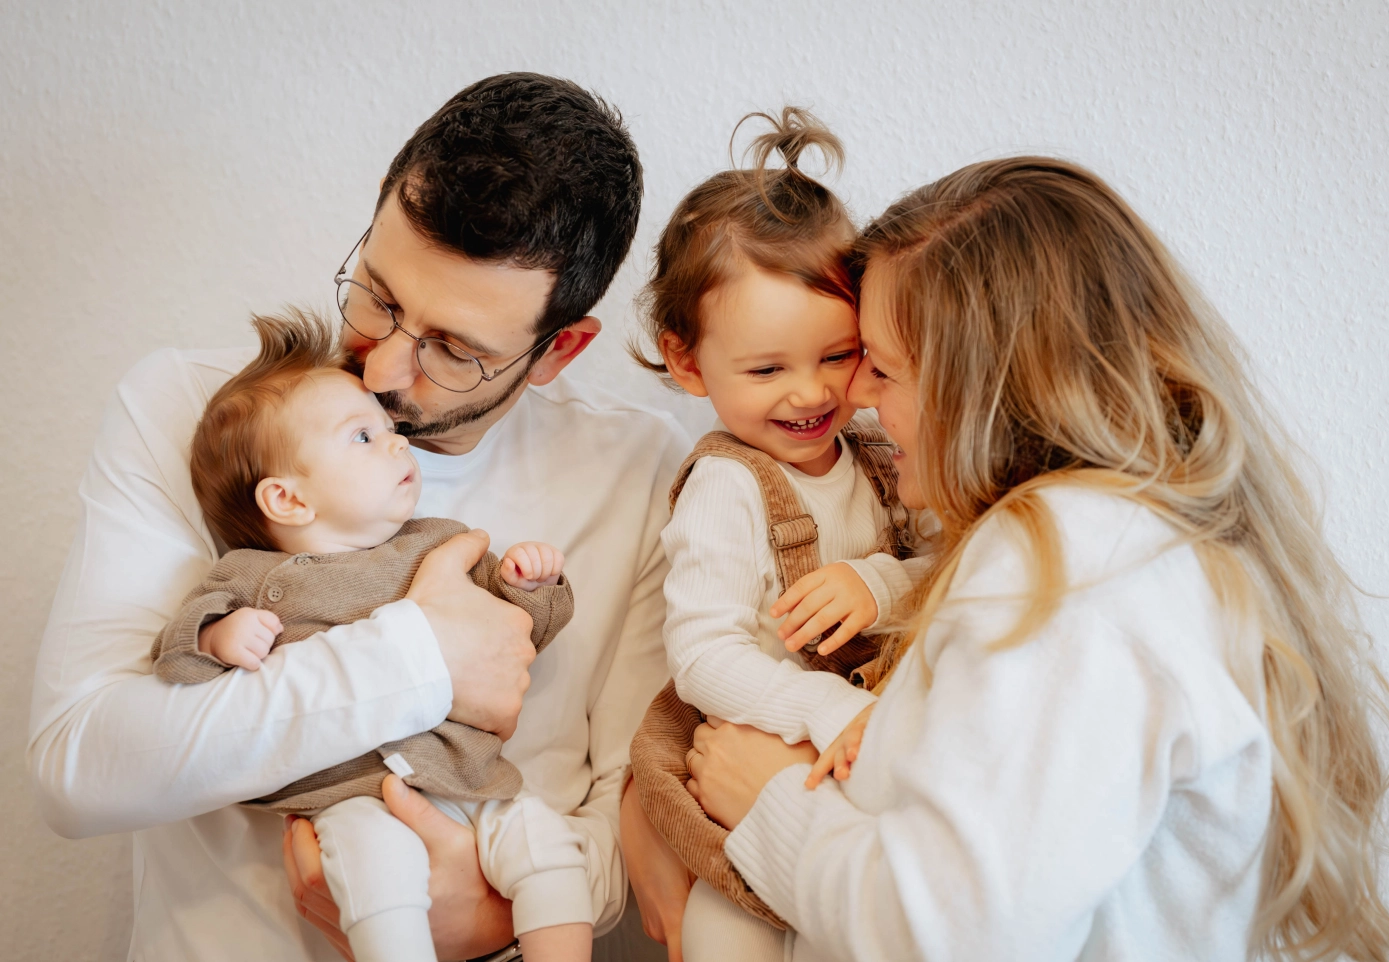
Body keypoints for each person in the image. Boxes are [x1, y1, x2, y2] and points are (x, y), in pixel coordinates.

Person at [679, 158, 1389, 961]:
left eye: (880, 367)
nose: (853, 398)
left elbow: (950, 933)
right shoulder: (1092, 546)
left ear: (978, 388)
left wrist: (768, 799)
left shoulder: (1069, 570)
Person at [29, 73, 689, 962]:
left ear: (557, 351)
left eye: (455, 349)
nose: (381, 369)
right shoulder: (192, 412)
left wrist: (485, 924)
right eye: (377, 294)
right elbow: (79, 772)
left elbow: (634, 802)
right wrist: (422, 655)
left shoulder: (643, 469)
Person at [150, 309, 591, 962]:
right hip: (349, 799)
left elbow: (518, 636)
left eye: (388, 430)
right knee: (377, 877)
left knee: (550, 849)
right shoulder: (250, 578)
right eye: (362, 437)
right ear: (289, 501)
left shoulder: (437, 543)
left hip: (470, 779)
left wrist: (531, 587)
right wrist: (219, 637)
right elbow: (174, 661)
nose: (396, 443)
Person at [622, 109, 926, 962]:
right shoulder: (727, 485)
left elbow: (952, 562)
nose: (811, 394)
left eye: (838, 355)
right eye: (765, 370)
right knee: (733, 933)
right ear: (687, 364)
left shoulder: (889, 455)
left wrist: (879, 583)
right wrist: (827, 707)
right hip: (757, 755)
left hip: (864, 754)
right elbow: (705, 657)